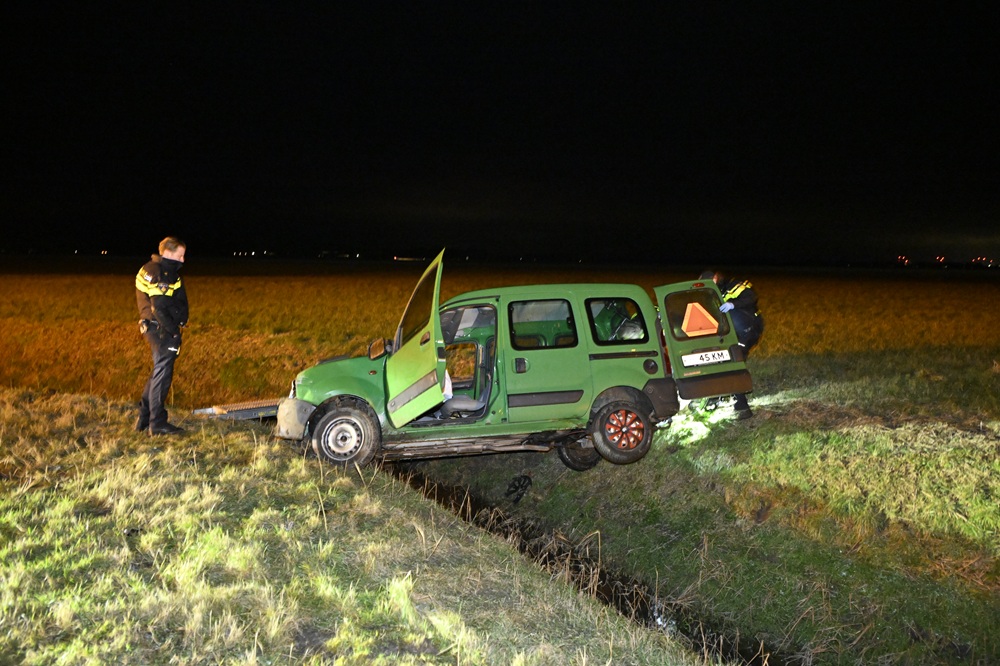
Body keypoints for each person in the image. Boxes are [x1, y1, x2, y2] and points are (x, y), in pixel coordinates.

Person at [135, 237, 189, 435]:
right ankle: (157, 423)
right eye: (180, 255)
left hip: (152, 327)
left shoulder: (148, 268)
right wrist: (174, 332)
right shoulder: (162, 274)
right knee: (163, 375)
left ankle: (144, 418)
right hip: (162, 330)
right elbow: (158, 307)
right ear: (167, 253)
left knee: (158, 372)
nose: (183, 260)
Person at [701, 269, 764, 419]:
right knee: (724, 360)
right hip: (732, 332)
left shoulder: (735, 285)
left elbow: (751, 297)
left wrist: (732, 304)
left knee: (733, 362)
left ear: (716, 278)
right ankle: (719, 396)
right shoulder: (713, 294)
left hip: (749, 327)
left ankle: (742, 407)